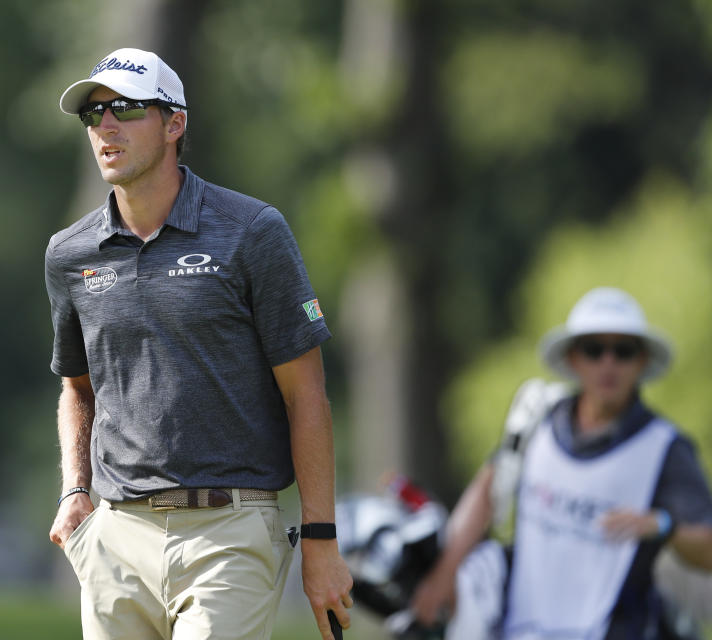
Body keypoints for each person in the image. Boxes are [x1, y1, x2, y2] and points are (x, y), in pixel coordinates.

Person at [43, 47, 353, 640]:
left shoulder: (252, 232)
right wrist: (75, 491)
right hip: (116, 538)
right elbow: (77, 388)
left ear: (174, 123)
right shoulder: (71, 253)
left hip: (230, 533)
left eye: (126, 110)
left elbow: (306, 396)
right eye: (94, 115)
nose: (106, 126)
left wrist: (320, 542)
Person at [411, 287, 712, 639]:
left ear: (642, 360)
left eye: (623, 351)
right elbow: (488, 489)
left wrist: (663, 525)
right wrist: (443, 575)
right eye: (593, 349)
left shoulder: (666, 447)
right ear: (573, 358)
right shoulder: (537, 419)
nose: (608, 363)